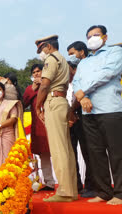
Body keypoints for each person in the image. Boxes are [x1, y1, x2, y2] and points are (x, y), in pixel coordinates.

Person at [73, 25, 122, 205]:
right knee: (95, 152)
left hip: (110, 109)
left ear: (105, 37)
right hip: (88, 111)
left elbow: (108, 74)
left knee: (116, 153)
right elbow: (77, 81)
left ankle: (120, 192)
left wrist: (83, 91)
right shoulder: (84, 62)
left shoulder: (114, 52)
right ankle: (104, 191)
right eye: (89, 36)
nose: (92, 38)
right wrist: (83, 96)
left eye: (96, 35)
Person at [35, 35, 78, 202]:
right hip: (62, 101)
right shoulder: (64, 61)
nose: (41, 53)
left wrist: (38, 105)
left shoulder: (52, 59)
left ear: (47, 46)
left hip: (53, 101)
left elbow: (45, 84)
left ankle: (65, 192)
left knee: (58, 149)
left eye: (41, 49)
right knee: (66, 148)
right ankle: (71, 190)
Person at [67, 41, 95, 198]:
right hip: (69, 121)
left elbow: (80, 96)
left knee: (88, 153)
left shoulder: (84, 74)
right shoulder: (65, 83)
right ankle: (76, 184)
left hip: (83, 117)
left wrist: (72, 112)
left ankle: (91, 185)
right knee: (71, 154)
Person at [23, 64, 55, 191]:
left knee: (59, 153)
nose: (36, 74)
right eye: (34, 72)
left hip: (52, 123)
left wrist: (43, 85)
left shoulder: (50, 84)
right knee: (44, 155)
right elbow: (24, 103)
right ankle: (49, 183)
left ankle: (67, 182)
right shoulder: (30, 88)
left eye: (38, 71)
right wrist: (33, 88)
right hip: (39, 126)